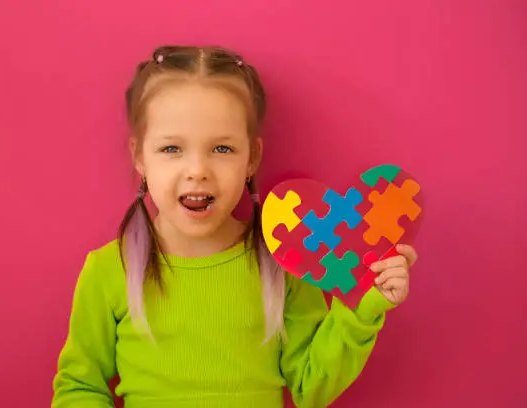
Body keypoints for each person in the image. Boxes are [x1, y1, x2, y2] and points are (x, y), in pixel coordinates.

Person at [51, 45, 418, 408]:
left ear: (251, 158)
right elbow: (79, 386)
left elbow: (312, 387)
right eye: (171, 149)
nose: (197, 170)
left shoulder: (281, 262)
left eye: (222, 149)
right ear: (139, 156)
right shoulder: (108, 270)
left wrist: (364, 308)